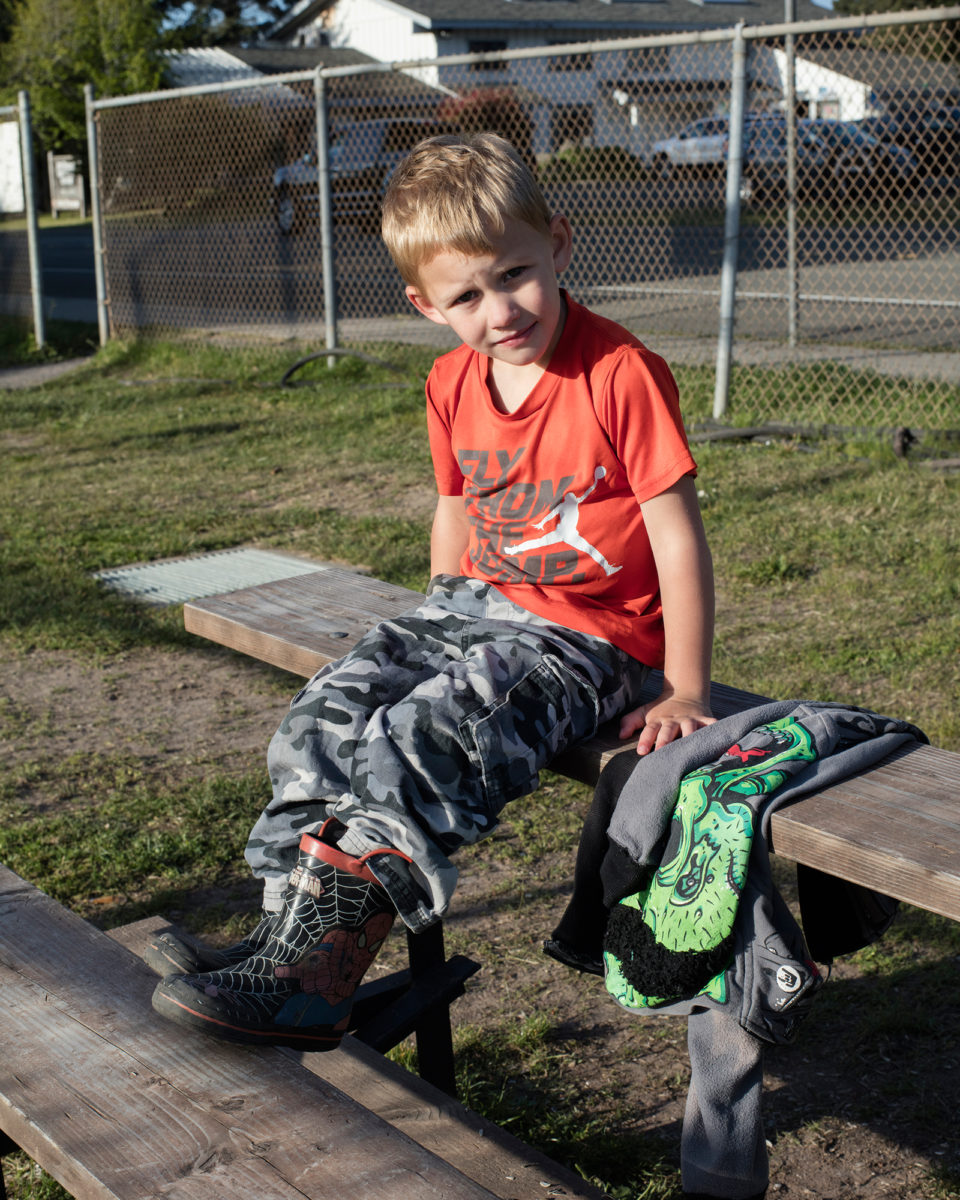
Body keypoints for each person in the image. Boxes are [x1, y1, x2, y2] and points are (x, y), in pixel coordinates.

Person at [150, 131, 716, 1050]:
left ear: (560, 245)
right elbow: (454, 506)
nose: (500, 310)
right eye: (467, 295)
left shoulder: (619, 373)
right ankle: (283, 936)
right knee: (323, 718)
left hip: (590, 640)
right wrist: (432, 618)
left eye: (516, 274)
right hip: (473, 608)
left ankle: (316, 979)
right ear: (425, 304)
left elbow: (676, 536)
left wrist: (684, 685)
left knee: (427, 734)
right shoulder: (451, 382)